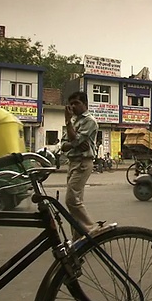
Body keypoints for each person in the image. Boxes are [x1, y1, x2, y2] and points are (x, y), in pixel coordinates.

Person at [60, 91, 98, 240]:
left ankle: (91, 230)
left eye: (77, 103)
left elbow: (75, 141)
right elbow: (64, 145)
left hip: (83, 163)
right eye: (71, 104)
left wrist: (73, 139)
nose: (73, 106)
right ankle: (78, 239)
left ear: (85, 104)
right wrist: (74, 143)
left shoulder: (89, 121)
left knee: (71, 200)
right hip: (72, 163)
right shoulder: (75, 121)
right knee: (74, 204)